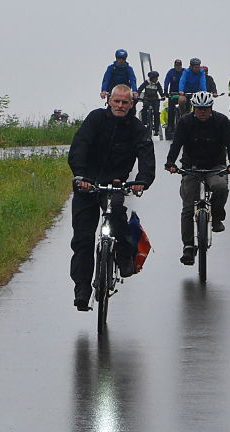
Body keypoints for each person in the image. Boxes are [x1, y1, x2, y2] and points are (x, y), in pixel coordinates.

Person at [68, 84, 155, 311]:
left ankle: (125, 257)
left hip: (115, 185)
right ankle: (82, 291)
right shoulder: (95, 119)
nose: (120, 105)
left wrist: (142, 180)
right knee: (83, 240)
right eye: (116, 101)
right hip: (87, 184)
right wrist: (80, 175)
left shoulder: (137, 128)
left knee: (118, 218)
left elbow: (146, 155)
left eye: (125, 102)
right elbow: (80, 146)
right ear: (109, 100)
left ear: (131, 104)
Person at [164, 91, 230, 264]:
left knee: (220, 187)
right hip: (192, 167)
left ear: (211, 108)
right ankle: (188, 247)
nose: (203, 112)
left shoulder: (221, 121)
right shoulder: (185, 122)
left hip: (216, 166)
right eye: (199, 109)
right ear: (194, 108)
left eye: (206, 109)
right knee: (188, 207)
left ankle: (217, 215)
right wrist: (170, 162)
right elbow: (176, 144)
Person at [137, 70, 165, 135]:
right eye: (155, 78)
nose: (156, 79)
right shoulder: (146, 82)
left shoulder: (157, 83)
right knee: (145, 109)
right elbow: (140, 88)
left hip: (155, 99)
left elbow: (160, 90)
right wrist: (138, 94)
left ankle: (156, 129)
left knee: (156, 113)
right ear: (151, 78)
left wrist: (162, 96)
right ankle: (144, 123)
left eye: (157, 78)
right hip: (147, 98)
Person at [164, 59, 184, 138]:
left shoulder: (184, 72)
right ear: (174, 65)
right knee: (171, 110)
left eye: (179, 65)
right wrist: (165, 90)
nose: (178, 67)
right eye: (177, 65)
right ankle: (170, 127)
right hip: (172, 94)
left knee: (186, 109)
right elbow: (166, 81)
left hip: (182, 93)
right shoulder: (171, 72)